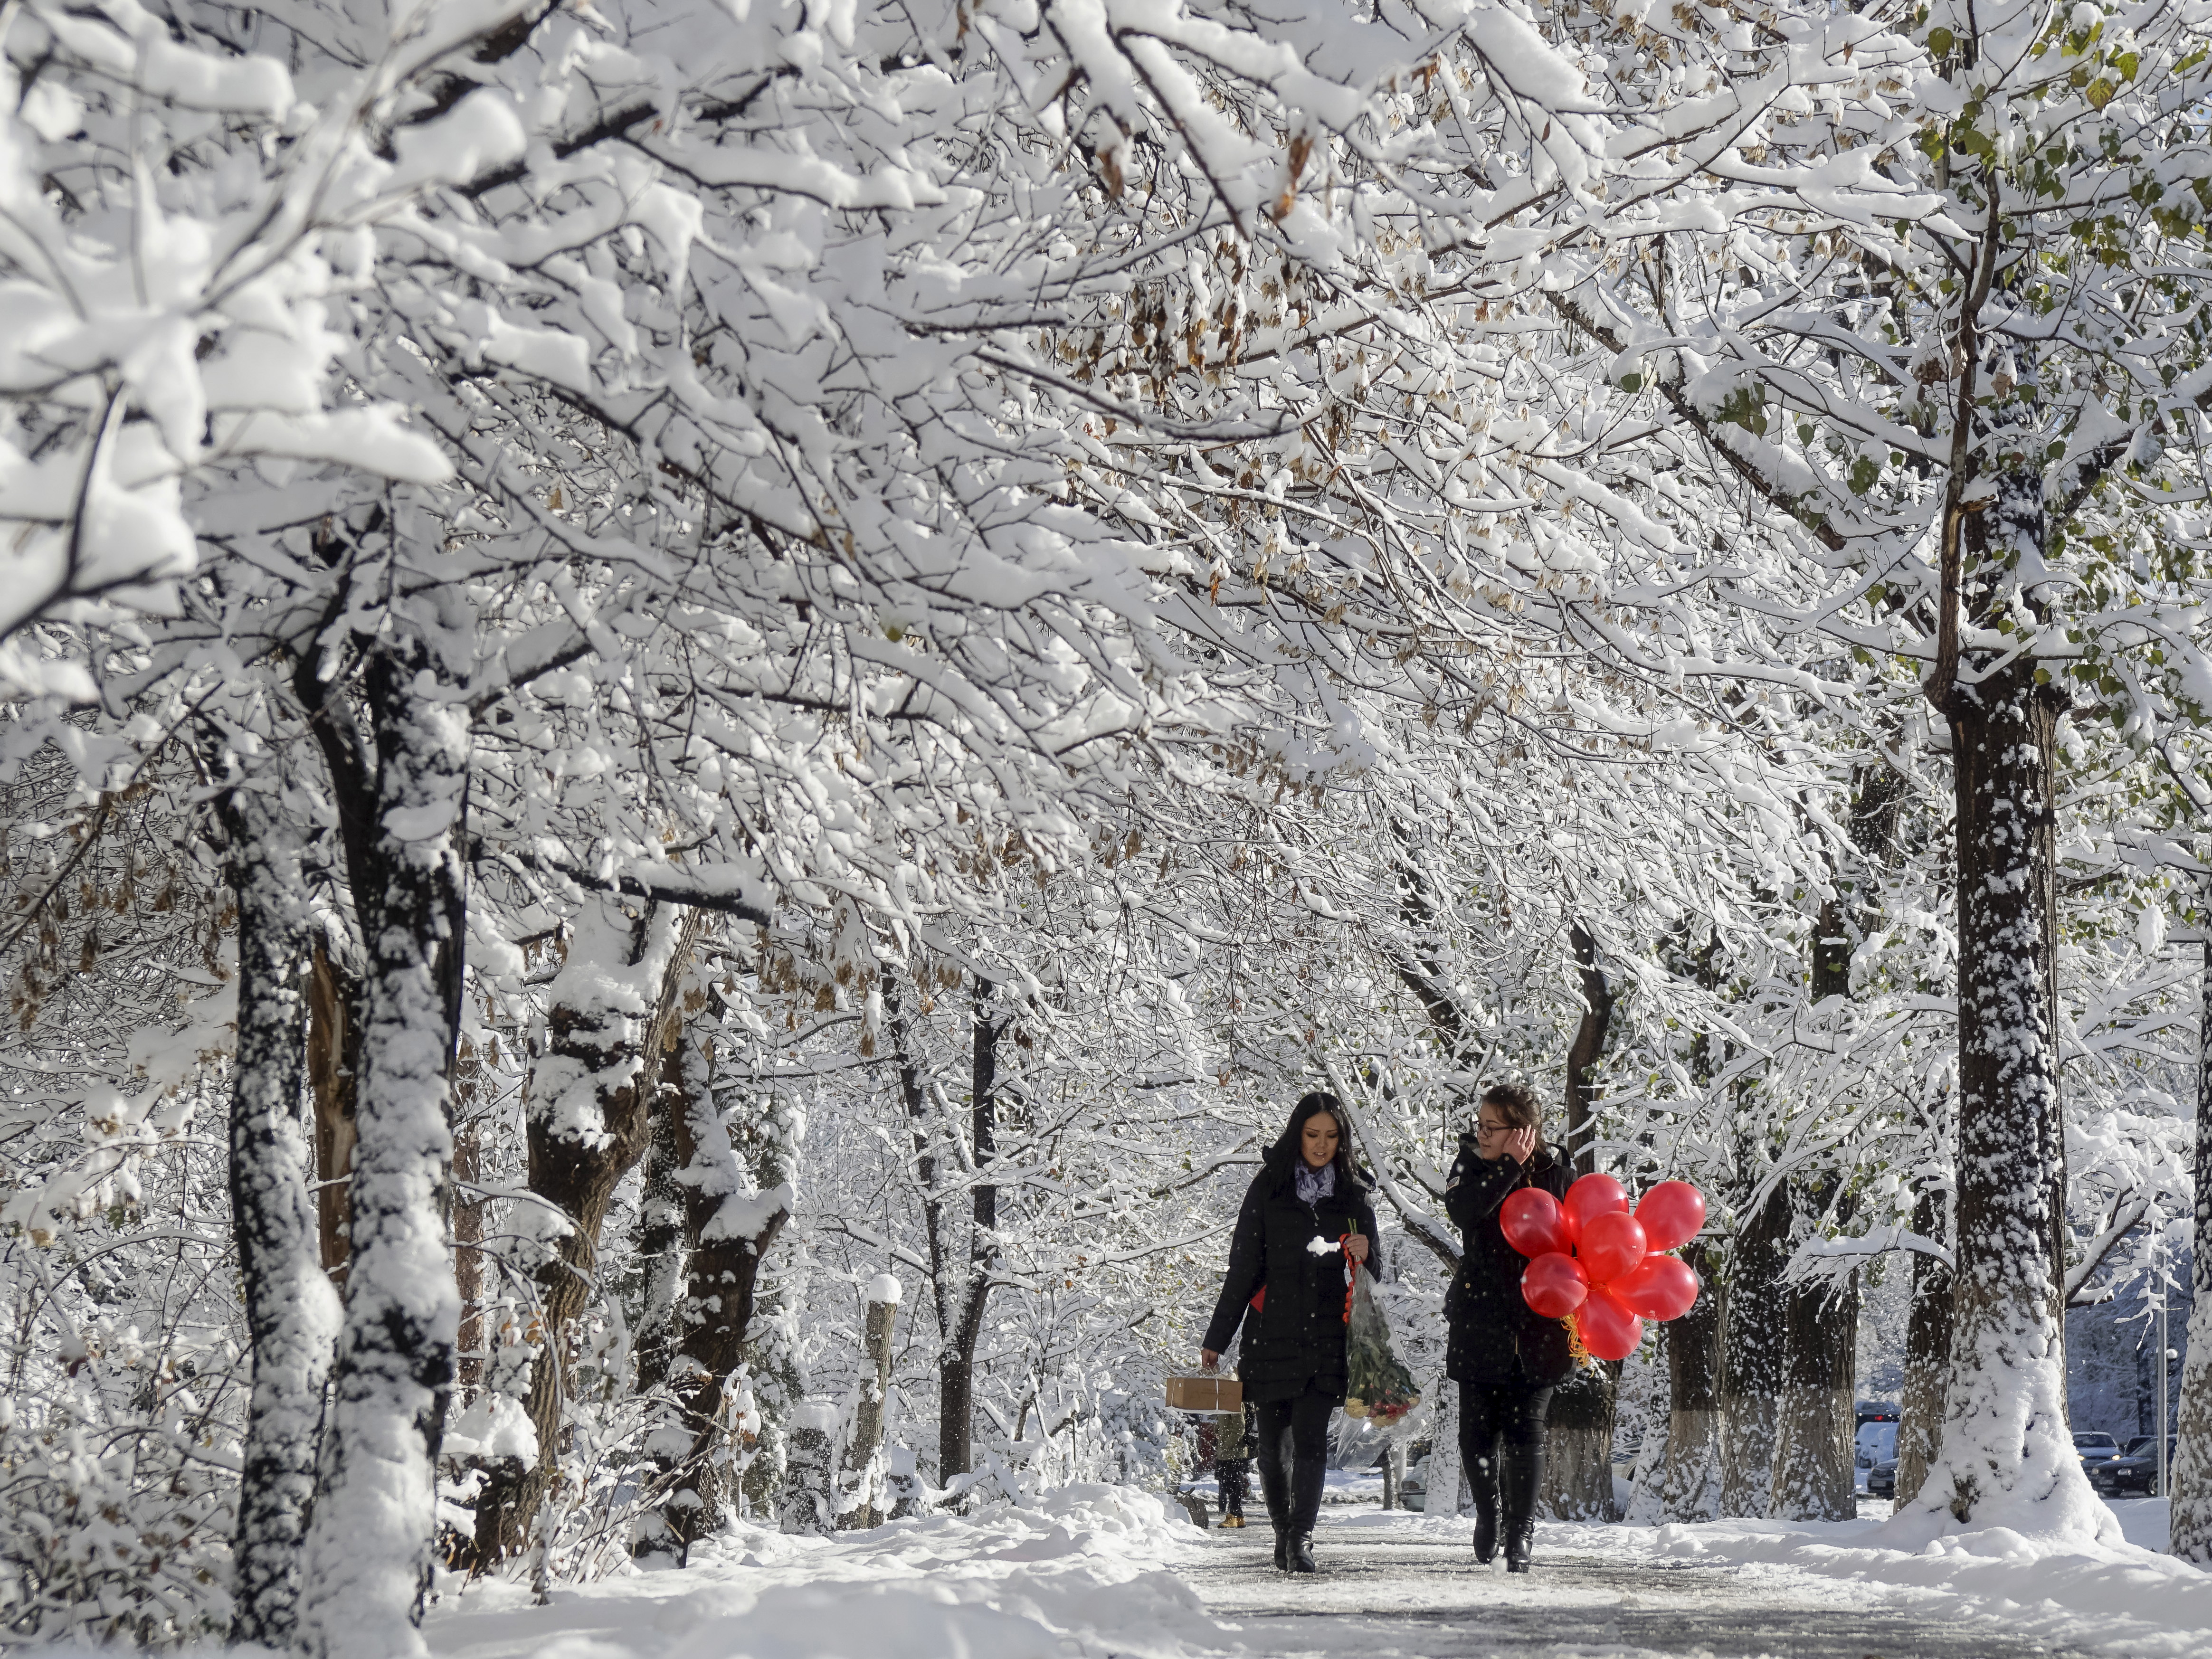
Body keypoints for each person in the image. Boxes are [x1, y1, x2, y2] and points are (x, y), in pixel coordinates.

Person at [1200, 1092, 1381, 1574]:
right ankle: (1282, 1532)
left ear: (1341, 1140)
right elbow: (1242, 1268)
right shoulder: (1269, 1188)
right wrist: (1217, 1337)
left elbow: (1376, 1271)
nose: (1321, 1146)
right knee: (1271, 1446)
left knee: (1309, 1440)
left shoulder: (1354, 1195)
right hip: (1270, 1331)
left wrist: (1365, 1252)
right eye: (1312, 1134)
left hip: (1327, 1335)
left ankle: (1300, 1537)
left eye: (1330, 1136)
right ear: (1296, 1133)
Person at [1443, 1081, 1573, 1573]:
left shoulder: (1556, 1169)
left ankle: (1521, 1534)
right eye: (1479, 1124)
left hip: (1539, 1326)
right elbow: (1463, 1210)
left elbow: (1576, 1235)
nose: (1480, 1132)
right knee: (1475, 1436)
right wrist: (1506, 1168)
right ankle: (1488, 1513)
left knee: (1525, 1434)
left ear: (1523, 1131)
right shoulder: (1469, 1164)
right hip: (1480, 1318)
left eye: (1490, 1127)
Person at [1214, 1402, 1253, 1527]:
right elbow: (1223, 1424)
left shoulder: (1235, 1403)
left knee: (1233, 1484)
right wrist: (1217, 1431)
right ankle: (1239, 1516)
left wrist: (1227, 1444)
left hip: (1235, 1452)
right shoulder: (1223, 1403)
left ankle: (1234, 1516)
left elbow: (1240, 1428)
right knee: (1227, 1484)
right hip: (1225, 1453)